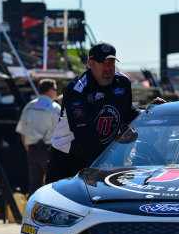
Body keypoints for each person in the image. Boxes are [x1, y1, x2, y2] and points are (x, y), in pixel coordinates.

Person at [45, 42, 145, 183]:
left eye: (111, 62)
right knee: (58, 201)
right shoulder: (78, 88)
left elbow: (127, 112)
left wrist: (151, 112)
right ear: (90, 63)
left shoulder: (122, 82)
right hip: (68, 155)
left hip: (101, 156)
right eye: (102, 62)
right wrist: (101, 164)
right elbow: (84, 133)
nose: (108, 67)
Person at [15, 79, 61, 195]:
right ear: (50, 91)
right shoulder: (54, 107)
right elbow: (61, 133)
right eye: (55, 89)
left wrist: (30, 150)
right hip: (48, 151)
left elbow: (23, 134)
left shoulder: (28, 106)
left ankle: (33, 213)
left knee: (34, 187)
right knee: (55, 186)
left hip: (32, 151)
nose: (56, 92)